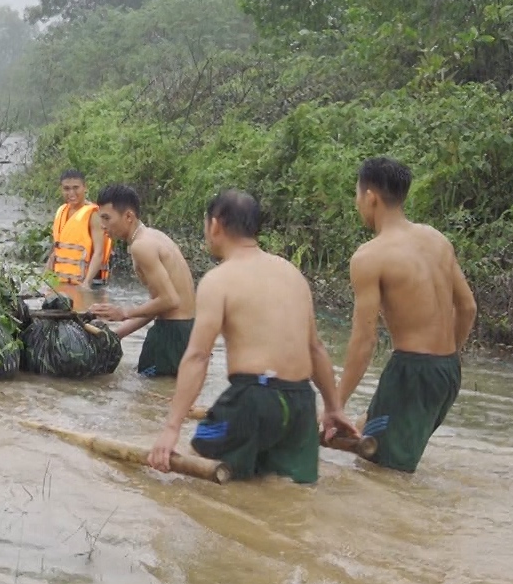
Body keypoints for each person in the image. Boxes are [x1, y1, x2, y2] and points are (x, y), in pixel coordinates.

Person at [148, 191, 335, 483]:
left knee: (199, 469)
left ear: (215, 225)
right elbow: (316, 348)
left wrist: (171, 427)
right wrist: (334, 408)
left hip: (254, 399)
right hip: (300, 402)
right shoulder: (291, 273)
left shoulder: (219, 279)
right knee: (284, 492)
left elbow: (198, 356)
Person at [321, 158, 476, 472]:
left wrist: (335, 405)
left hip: (412, 374)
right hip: (447, 373)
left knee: (381, 475)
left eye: (357, 195)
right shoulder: (437, 240)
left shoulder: (370, 256)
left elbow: (364, 342)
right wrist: (446, 360)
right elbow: (468, 307)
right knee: (370, 436)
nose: (357, 204)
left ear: (370, 197)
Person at [88, 184, 197, 376]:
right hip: (187, 332)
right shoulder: (155, 236)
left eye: (107, 218)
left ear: (128, 216)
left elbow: (170, 300)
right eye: (100, 218)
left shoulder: (141, 247)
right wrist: (116, 335)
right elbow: (161, 304)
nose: (103, 225)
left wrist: (123, 312)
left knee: (145, 398)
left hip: (170, 336)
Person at [49, 170, 112, 290]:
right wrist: (45, 280)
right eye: (66, 189)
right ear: (61, 189)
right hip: (62, 282)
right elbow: (56, 252)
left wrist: (86, 284)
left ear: (85, 187)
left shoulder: (93, 215)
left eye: (75, 188)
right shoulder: (61, 211)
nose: (71, 193)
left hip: (89, 283)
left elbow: (99, 253)